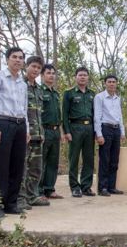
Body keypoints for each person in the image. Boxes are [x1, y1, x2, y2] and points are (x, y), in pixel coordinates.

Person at [0, 47, 30, 218]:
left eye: (21, 58)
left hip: (20, 125)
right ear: (7, 59)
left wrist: (27, 130)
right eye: (14, 57)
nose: (18, 60)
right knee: (1, 166)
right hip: (4, 123)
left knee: (17, 166)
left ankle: (11, 203)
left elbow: (24, 109)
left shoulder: (22, 84)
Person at [17, 56, 50, 210]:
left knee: (36, 168)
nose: (35, 70)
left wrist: (41, 132)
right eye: (33, 66)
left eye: (38, 68)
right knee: (22, 167)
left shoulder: (39, 89)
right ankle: (20, 198)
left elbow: (39, 114)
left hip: (38, 134)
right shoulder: (19, 85)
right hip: (24, 134)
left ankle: (32, 196)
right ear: (26, 66)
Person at [62, 66, 96, 198]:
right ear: (75, 77)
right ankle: (75, 187)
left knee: (89, 159)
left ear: (88, 78)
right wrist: (66, 131)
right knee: (74, 158)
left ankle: (86, 186)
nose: (82, 77)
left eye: (85, 75)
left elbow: (96, 113)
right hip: (75, 128)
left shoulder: (92, 94)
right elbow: (64, 114)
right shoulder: (69, 93)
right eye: (80, 75)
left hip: (89, 128)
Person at [94, 75, 126, 196]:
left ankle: (112, 187)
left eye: (114, 82)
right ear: (105, 83)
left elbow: (120, 116)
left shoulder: (117, 98)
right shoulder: (99, 97)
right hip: (105, 128)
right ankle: (102, 188)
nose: (112, 84)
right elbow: (97, 116)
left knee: (114, 160)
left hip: (116, 129)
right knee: (105, 159)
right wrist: (99, 134)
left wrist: (122, 132)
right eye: (109, 82)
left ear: (116, 84)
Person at [39, 64, 65, 199]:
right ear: (42, 75)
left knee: (53, 162)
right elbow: (37, 114)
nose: (51, 75)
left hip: (55, 131)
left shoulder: (55, 93)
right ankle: (39, 191)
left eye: (53, 73)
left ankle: (50, 188)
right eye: (48, 73)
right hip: (44, 130)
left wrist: (60, 132)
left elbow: (58, 115)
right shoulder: (39, 91)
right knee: (41, 161)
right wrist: (40, 131)